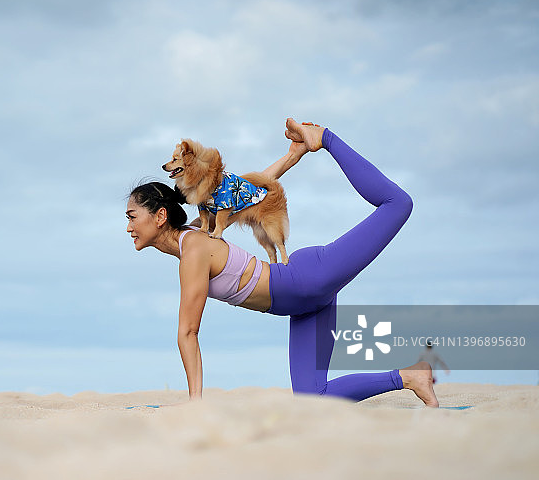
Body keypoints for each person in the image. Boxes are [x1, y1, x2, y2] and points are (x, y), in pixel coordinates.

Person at [125, 119, 439, 407]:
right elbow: (248, 192)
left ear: (160, 216)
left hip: (308, 278)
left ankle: (326, 138)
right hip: (303, 305)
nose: (128, 227)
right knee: (313, 400)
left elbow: (188, 332)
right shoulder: (199, 229)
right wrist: (292, 156)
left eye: (132, 217)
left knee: (398, 204)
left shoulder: (193, 249)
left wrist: (196, 405)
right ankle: (410, 377)